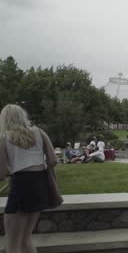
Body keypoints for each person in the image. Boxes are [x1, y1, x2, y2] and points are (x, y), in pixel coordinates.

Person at [0, 104, 59, 253]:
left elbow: (1, 173)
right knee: (26, 239)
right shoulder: (39, 132)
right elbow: (53, 160)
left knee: (12, 243)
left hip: (21, 184)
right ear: (23, 116)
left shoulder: (4, 137)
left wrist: (10, 172)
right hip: (40, 184)